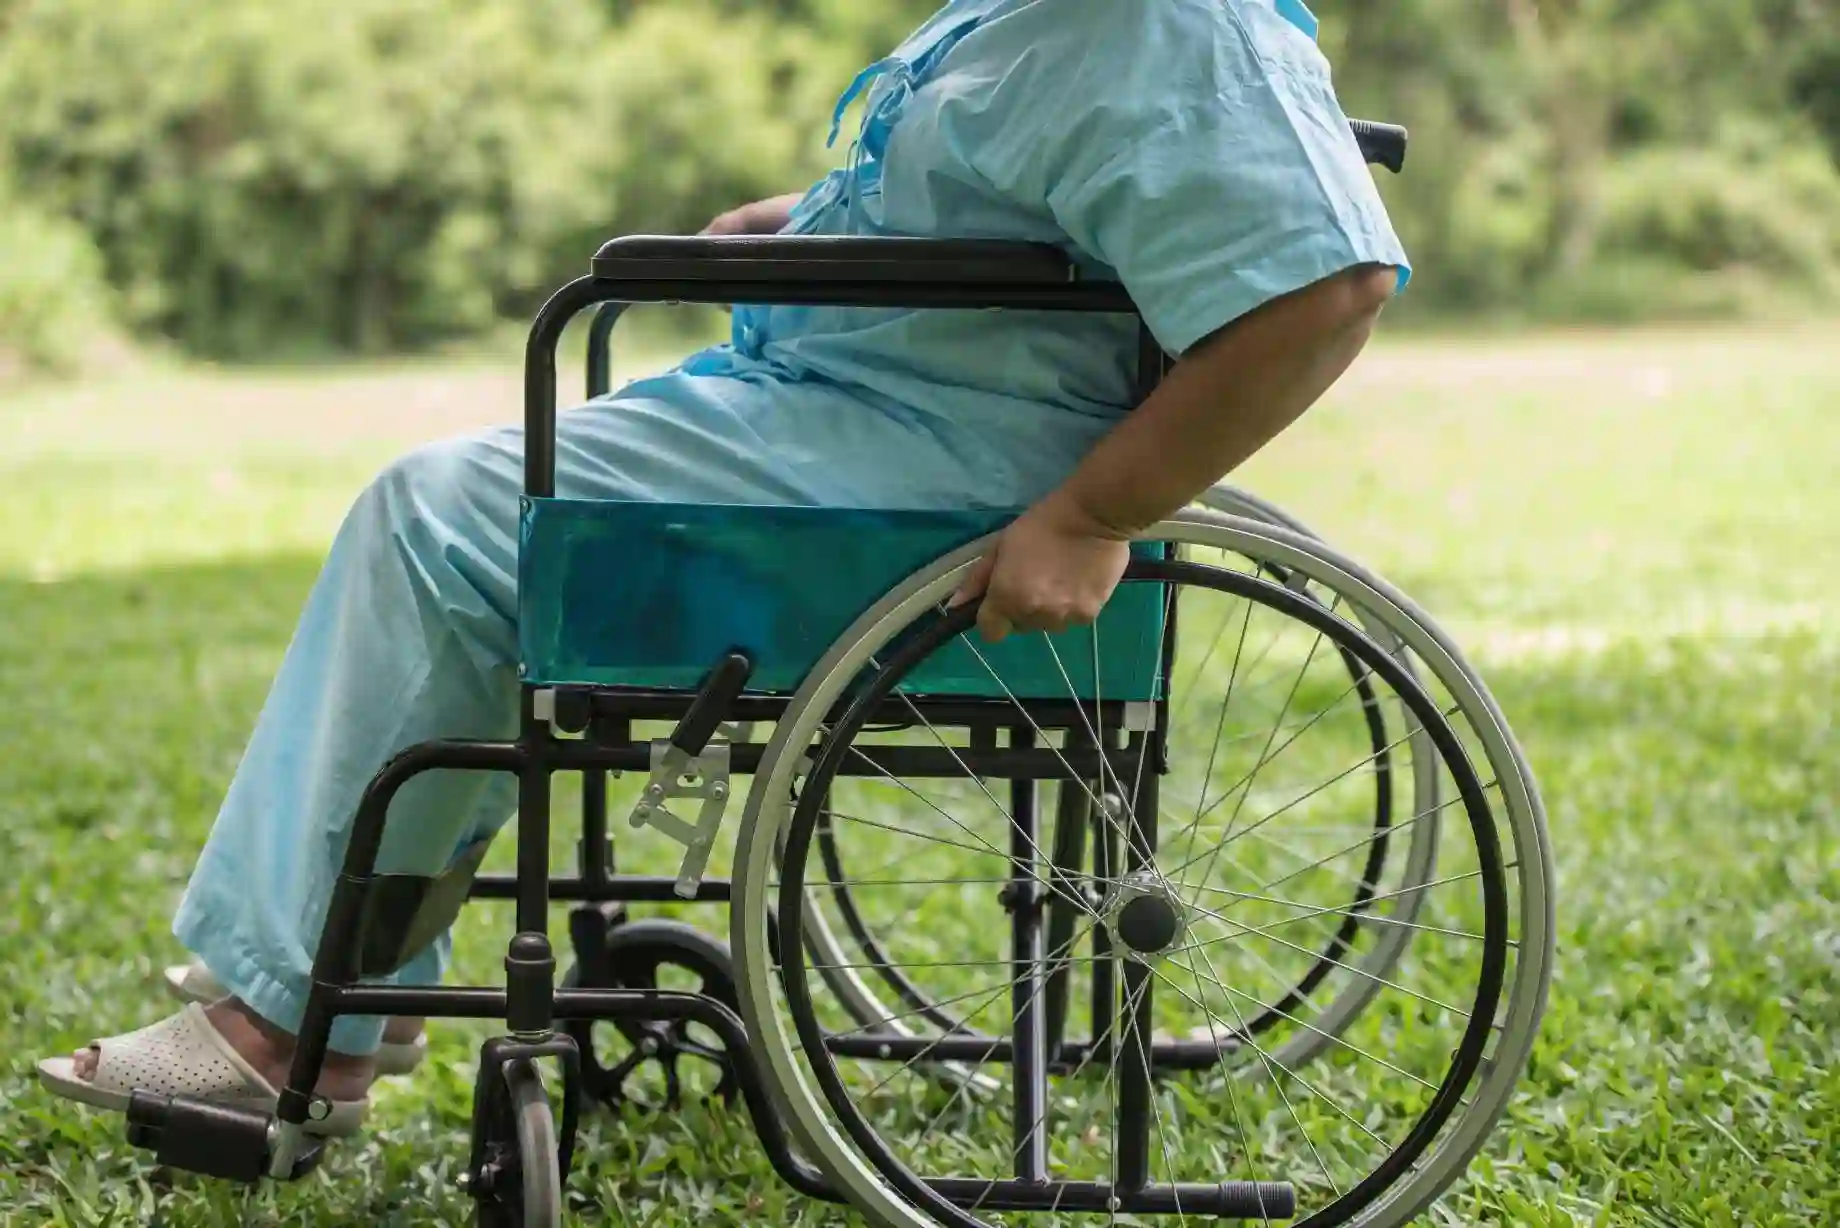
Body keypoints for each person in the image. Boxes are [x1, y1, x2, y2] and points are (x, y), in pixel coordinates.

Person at [38, 0, 1407, 1132]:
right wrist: (804, 233)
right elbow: (1015, 213)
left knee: (441, 519)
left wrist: (1097, 516)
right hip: (859, 429)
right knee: (463, 506)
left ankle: (298, 1024)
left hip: (924, 487)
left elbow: (1324, 287)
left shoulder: (1166, 21)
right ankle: (329, 954)